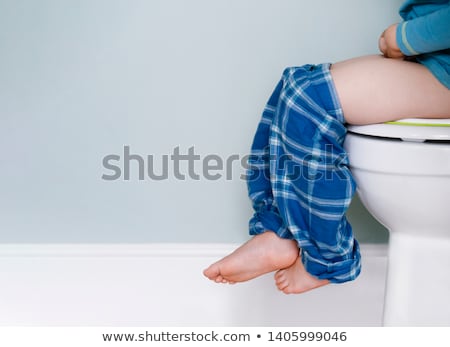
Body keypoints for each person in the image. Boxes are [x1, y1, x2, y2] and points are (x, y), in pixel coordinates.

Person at [203, 0, 450, 294]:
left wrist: (402, 38)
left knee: (309, 99)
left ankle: (327, 259)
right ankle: (279, 232)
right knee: (296, 85)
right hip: (436, 62)